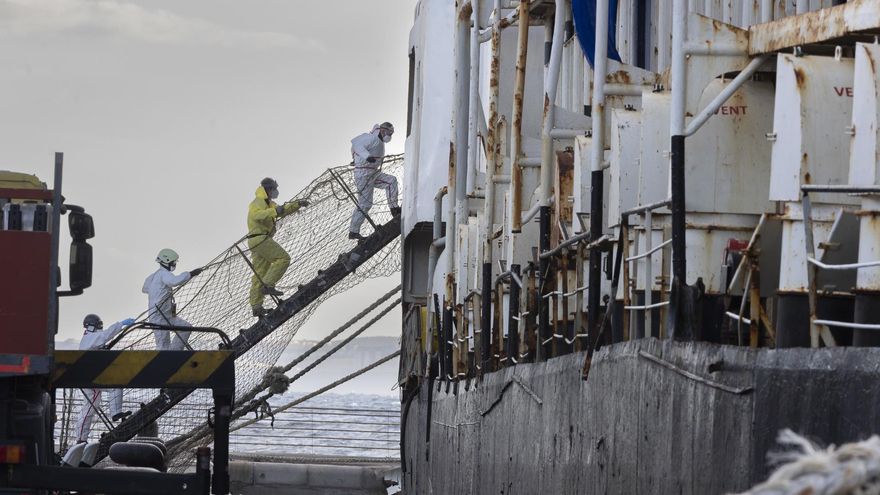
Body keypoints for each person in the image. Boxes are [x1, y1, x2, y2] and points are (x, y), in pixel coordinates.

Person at [247, 177, 309, 317]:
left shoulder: (269, 203)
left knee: (260, 273)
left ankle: (256, 305)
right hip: (260, 238)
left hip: (256, 241)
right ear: (269, 189)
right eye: (274, 188)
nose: (276, 191)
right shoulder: (258, 202)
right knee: (283, 259)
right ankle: (268, 285)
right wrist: (275, 212)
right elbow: (257, 215)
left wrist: (297, 204)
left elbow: (281, 210)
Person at [74, 314, 135, 444]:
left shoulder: (89, 338)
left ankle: (82, 438)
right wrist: (121, 324)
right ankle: (80, 439)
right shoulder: (90, 338)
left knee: (90, 408)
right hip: (91, 379)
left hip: (91, 377)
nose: (100, 327)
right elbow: (105, 335)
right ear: (92, 326)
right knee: (89, 409)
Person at [348, 122, 401, 241]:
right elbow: (356, 145)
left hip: (373, 172)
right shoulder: (371, 138)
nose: (390, 136)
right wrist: (366, 156)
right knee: (366, 204)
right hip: (363, 174)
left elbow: (355, 148)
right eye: (389, 133)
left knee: (391, 181)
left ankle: (394, 209)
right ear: (383, 130)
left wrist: (356, 158)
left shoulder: (379, 142)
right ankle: (353, 231)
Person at [142, 248, 203, 350]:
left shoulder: (153, 276)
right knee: (163, 345)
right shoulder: (163, 274)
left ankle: (174, 352)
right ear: (167, 261)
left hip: (167, 314)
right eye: (173, 262)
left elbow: (145, 288)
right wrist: (191, 273)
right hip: (158, 316)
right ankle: (164, 362)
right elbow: (174, 281)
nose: (174, 264)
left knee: (186, 327)